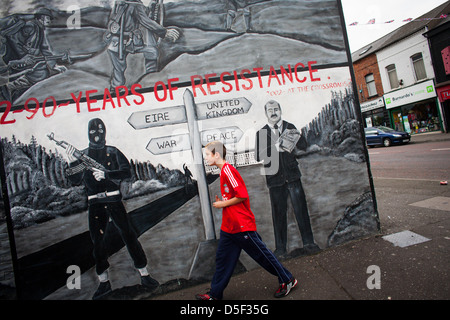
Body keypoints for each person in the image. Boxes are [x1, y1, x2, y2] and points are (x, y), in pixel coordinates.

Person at [65, 118, 157, 300]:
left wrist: (107, 174)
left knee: (129, 235)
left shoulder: (112, 152)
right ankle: (103, 282)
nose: (97, 134)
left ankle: (144, 275)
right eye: (93, 130)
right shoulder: (82, 156)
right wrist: (71, 162)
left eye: (100, 129)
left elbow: (127, 172)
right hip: (95, 204)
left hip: (114, 200)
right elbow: (74, 181)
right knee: (98, 243)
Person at [195, 141, 297, 300]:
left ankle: (287, 279)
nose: (206, 158)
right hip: (229, 228)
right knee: (222, 260)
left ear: (216, 155)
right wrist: (224, 201)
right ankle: (215, 295)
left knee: (262, 256)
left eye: (207, 155)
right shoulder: (223, 172)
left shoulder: (228, 170)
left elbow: (242, 195)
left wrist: (223, 203)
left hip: (242, 226)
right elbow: (233, 195)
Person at [255, 100, 319, 258]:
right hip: (274, 179)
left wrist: (298, 136)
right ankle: (281, 249)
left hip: (292, 176)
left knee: (301, 210)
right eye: (270, 110)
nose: (273, 112)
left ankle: (309, 243)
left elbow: (303, 146)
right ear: (266, 113)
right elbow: (258, 155)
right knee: (278, 214)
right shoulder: (261, 133)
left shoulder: (290, 126)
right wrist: (274, 148)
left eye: (276, 109)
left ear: (280, 110)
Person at [105, 0, 179, 91]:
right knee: (152, 52)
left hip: (115, 43)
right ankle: (151, 76)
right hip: (128, 42)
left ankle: (115, 87)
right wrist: (164, 32)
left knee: (119, 69)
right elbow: (145, 21)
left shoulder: (119, 3)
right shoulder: (135, 5)